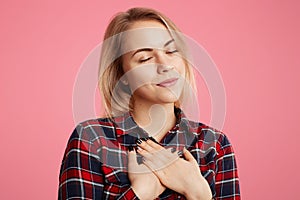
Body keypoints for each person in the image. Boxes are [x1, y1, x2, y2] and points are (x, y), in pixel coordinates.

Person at [58, 7, 241, 200]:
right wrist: (141, 192)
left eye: (171, 51)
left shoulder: (214, 144)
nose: (165, 65)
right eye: (145, 58)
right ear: (123, 75)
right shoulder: (91, 139)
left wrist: (197, 192)